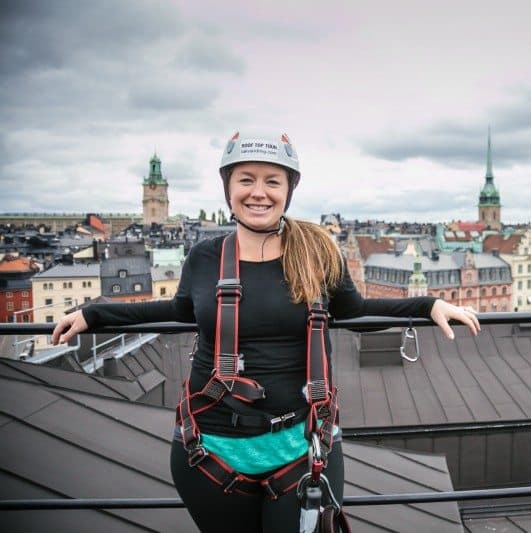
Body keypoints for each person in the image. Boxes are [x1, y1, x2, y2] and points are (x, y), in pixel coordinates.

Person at [51, 130, 480, 533]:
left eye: (272, 181)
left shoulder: (317, 251)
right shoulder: (205, 256)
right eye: (246, 180)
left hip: (302, 445)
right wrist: (97, 315)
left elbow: (356, 309)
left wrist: (429, 304)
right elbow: (181, 309)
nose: (259, 192)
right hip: (210, 448)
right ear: (229, 189)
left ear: (288, 190)